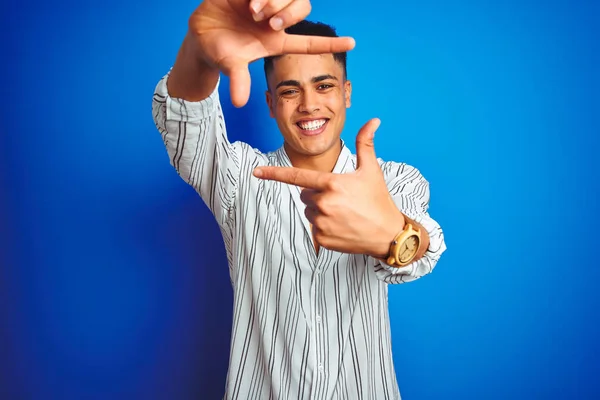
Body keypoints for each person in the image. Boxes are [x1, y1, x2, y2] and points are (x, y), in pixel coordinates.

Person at [151, 0, 446, 398]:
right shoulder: (239, 176)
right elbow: (183, 124)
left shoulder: (394, 179)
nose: (309, 105)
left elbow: (423, 248)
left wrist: (394, 235)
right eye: (290, 91)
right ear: (271, 103)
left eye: (324, 86)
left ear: (346, 94)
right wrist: (197, 52)